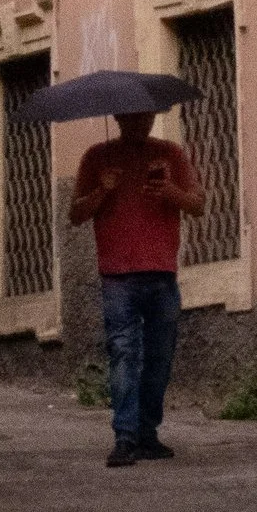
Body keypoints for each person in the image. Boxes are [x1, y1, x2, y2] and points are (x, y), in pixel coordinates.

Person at [70, 105, 205, 467]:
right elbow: (76, 213)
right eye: (131, 118)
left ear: (151, 119)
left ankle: (148, 432)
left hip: (162, 273)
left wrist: (170, 192)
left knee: (159, 357)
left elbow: (197, 204)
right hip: (117, 275)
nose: (138, 124)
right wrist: (102, 189)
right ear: (118, 119)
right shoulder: (97, 157)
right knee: (125, 354)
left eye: (144, 118)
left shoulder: (170, 154)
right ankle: (125, 436)